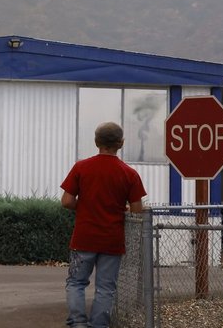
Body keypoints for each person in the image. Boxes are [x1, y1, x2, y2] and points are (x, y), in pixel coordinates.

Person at [60, 121, 147, 328]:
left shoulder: (81, 167)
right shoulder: (129, 174)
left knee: (76, 282)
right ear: (121, 143)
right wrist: (121, 208)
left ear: (96, 141)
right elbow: (137, 210)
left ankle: (77, 323)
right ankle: (99, 325)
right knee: (106, 288)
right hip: (112, 241)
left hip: (83, 238)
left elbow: (66, 201)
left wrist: (86, 205)